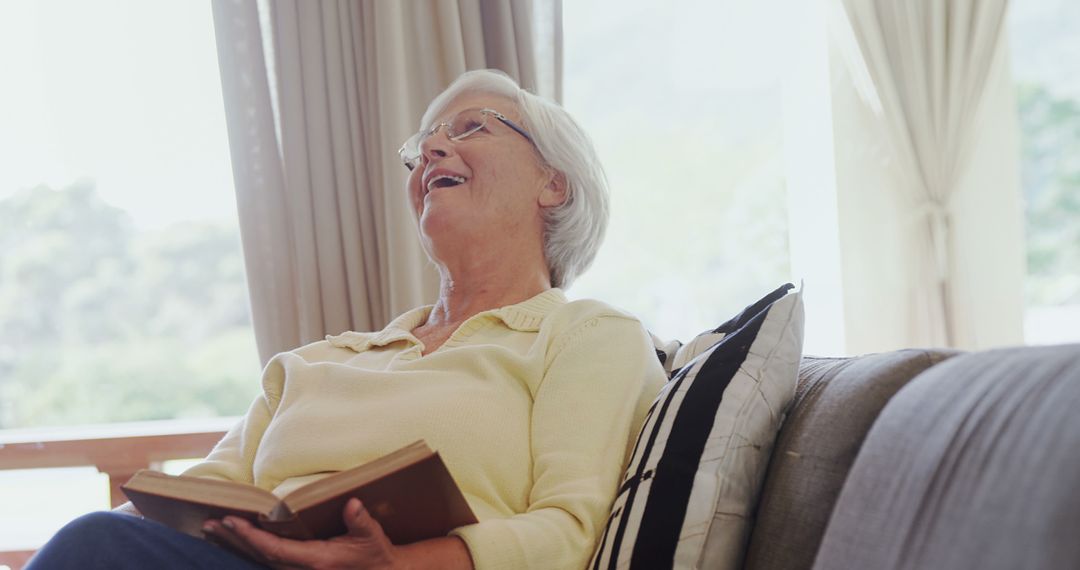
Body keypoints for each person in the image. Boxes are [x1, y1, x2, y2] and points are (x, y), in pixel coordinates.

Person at [27, 69, 667, 570]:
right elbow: (205, 496)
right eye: (421, 150)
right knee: (106, 542)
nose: (432, 150)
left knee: (95, 547)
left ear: (554, 184)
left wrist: (401, 563)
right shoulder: (316, 362)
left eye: (473, 127)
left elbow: (572, 532)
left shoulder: (585, 336)